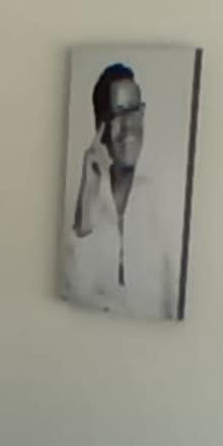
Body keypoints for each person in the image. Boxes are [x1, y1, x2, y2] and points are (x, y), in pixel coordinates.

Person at [62, 60, 184, 320]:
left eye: (134, 111)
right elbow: (74, 296)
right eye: (118, 114)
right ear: (101, 128)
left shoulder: (165, 197)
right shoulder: (92, 200)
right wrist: (85, 211)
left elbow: (176, 303)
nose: (128, 126)